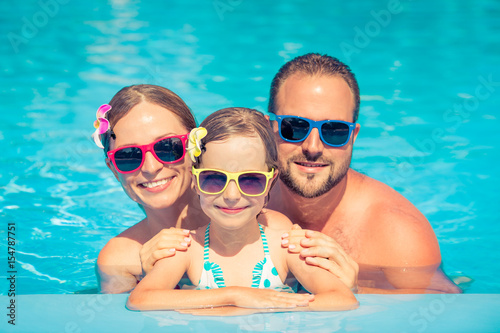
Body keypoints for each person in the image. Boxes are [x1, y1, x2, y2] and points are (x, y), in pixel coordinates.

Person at [126, 108, 358, 312]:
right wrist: (235, 297)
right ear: (194, 180)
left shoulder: (285, 248)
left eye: (250, 180)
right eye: (214, 179)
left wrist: (253, 309)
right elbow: (140, 299)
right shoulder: (187, 249)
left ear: (270, 181)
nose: (232, 195)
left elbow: (342, 298)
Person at [267, 53, 461, 293]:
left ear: (353, 136)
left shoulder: (397, 233)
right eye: (295, 127)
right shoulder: (231, 197)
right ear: (270, 127)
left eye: (334, 131)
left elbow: (447, 310)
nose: (313, 147)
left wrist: (357, 294)